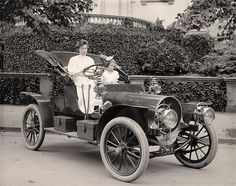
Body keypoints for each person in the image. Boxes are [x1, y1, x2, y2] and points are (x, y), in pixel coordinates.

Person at [67, 39, 97, 115]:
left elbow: (93, 70)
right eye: (82, 48)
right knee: (84, 85)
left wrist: (89, 74)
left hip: (88, 77)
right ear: (79, 49)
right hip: (78, 78)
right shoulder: (74, 59)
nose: (84, 50)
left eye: (85, 48)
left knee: (93, 84)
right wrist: (81, 71)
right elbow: (71, 71)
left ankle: (90, 109)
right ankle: (83, 110)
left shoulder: (90, 59)